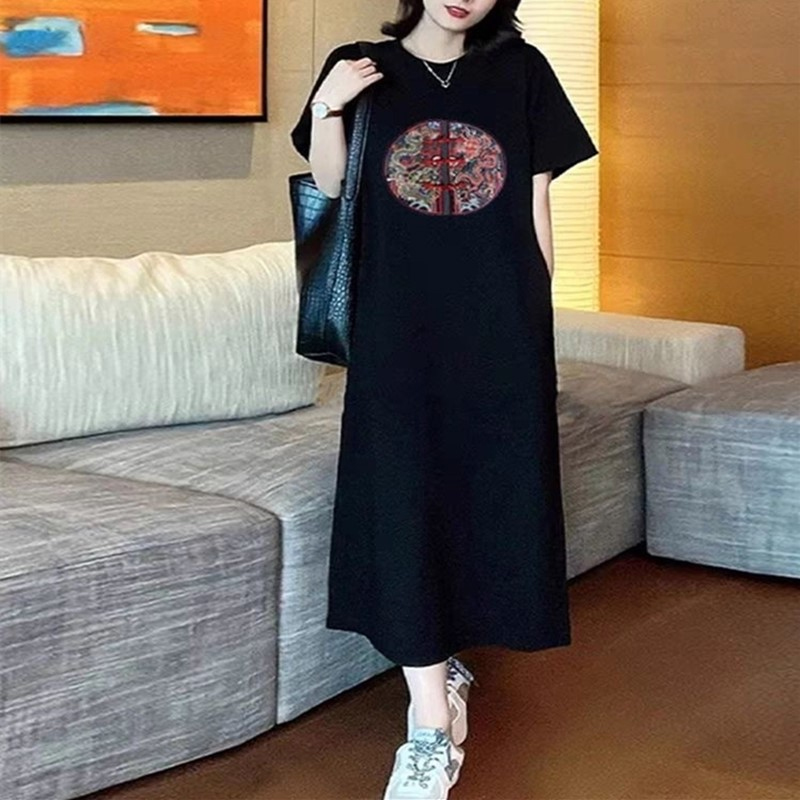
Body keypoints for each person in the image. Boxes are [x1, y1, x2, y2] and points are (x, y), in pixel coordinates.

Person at [289, 1, 598, 797]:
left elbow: (535, 205)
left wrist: (536, 323)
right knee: (401, 494)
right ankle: (430, 722)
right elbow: (332, 185)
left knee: (488, 492)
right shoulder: (363, 65)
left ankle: (446, 668)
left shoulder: (522, 71)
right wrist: (329, 106)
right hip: (396, 329)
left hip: (501, 326)